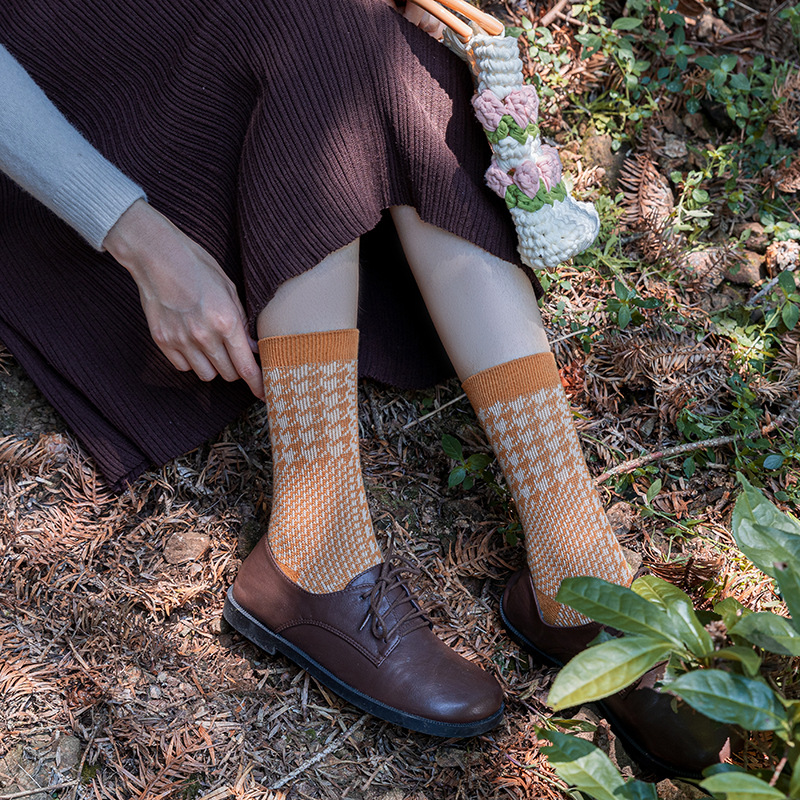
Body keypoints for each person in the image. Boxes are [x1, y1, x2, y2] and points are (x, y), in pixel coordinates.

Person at [1, 0, 732, 774]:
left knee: (391, 46)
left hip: (220, 46)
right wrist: (137, 238)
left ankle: (577, 567)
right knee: (315, 32)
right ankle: (316, 549)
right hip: (63, 125)